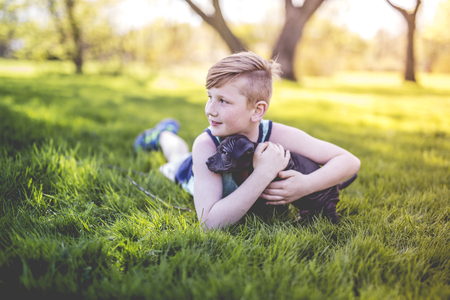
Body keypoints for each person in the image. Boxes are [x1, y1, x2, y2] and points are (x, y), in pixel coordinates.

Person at [134, 51, 361, 230]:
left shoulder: (277, 134)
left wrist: (304, 186)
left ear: (257, 111)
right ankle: (163, 134)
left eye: (223, 101)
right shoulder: (206, 145)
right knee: (176, 157)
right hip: (189, 170)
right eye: (209, 97)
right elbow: (210, 224)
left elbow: (349, 161)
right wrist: (263, 173)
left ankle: (166, 134)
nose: (210, 110)